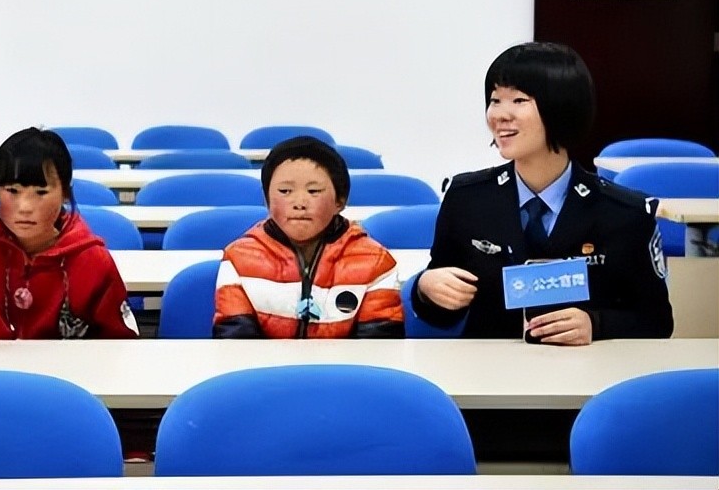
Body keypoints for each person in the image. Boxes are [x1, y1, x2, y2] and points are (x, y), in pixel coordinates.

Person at [412, 41, 673, 343]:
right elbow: (442, 317)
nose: (500, 115)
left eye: (519, 100)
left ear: (562, 107)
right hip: (489, 367)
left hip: (585, 367)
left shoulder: (623, 213)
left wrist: (596, 325)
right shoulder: (466, 198)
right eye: (495, 100)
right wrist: (426, 289)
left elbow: (657, 322)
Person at [0, 126, 138, 340]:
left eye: (41, 192)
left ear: (65, 193)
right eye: (12, 191)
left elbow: (119, 346)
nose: (25, 207)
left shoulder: (94, 263)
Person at [214, 136, 404, 338]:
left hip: (345, 360)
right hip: (265, 360)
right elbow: (236, 342)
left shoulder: (375, 262)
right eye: (285, 191)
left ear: (340, 200)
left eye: (314, 191)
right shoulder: (239, 258)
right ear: (267, 199)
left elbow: (379, 346)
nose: (299, 203)